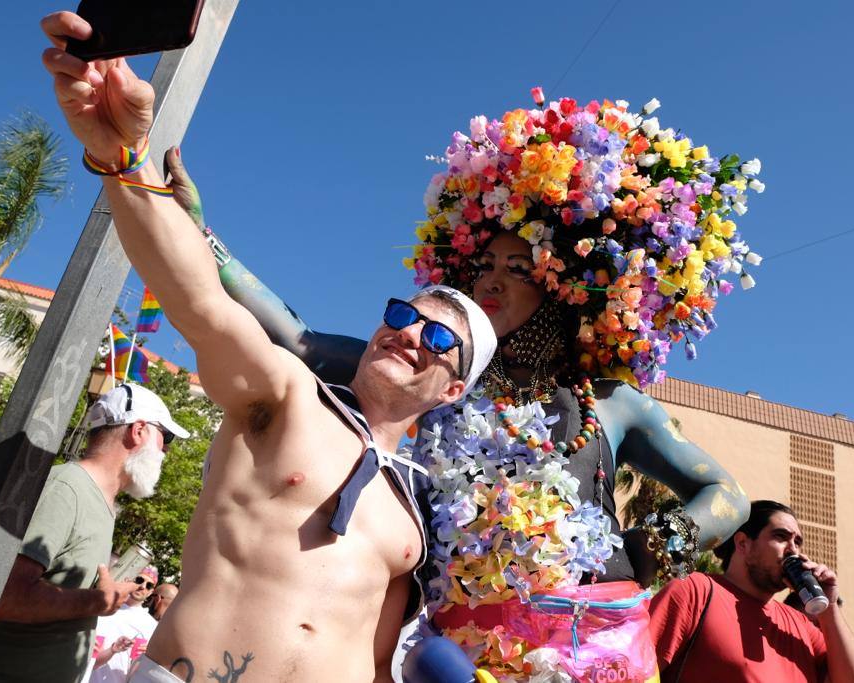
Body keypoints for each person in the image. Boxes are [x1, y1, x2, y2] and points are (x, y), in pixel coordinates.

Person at [163, 88, 768, 679]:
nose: (492, 281)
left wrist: (652, 545)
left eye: (517, 268)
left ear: (562, 287)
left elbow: (728, 495)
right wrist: (199, 235)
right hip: (462, 653)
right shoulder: (429, 375)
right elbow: (296, 339)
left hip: (597, 645)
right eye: (484, 267)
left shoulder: (613, 403)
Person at [39, 11, 496, 682]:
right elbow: (196, 297)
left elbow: (375, 657)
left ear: (454, 388)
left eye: (436, 336)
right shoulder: (288, 397)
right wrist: (122, 160)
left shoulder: (415, 521)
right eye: (401, 312)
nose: (406, 331)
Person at [0, 383, 188, 682]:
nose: (167, 450)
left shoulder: (101, 502)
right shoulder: (67, 489)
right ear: (138, 431)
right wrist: (97, 602)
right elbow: (3, 594)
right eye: (166, 437)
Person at [649, 500, 854, 683]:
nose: (793, 549)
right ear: (743, 543)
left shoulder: (801, 626)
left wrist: (829, 609)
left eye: (798, 542)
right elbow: (634, 667)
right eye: (781, 536)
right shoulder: (696, 591)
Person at [90, 565, 161, 682]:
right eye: (139, 580)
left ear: (150, 592)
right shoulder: (106, 605)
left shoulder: (151, 626)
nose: (143, 586)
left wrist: (147, 657)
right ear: (129, 580)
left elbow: (142, 669)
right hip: (83, 676)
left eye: (149, 586)